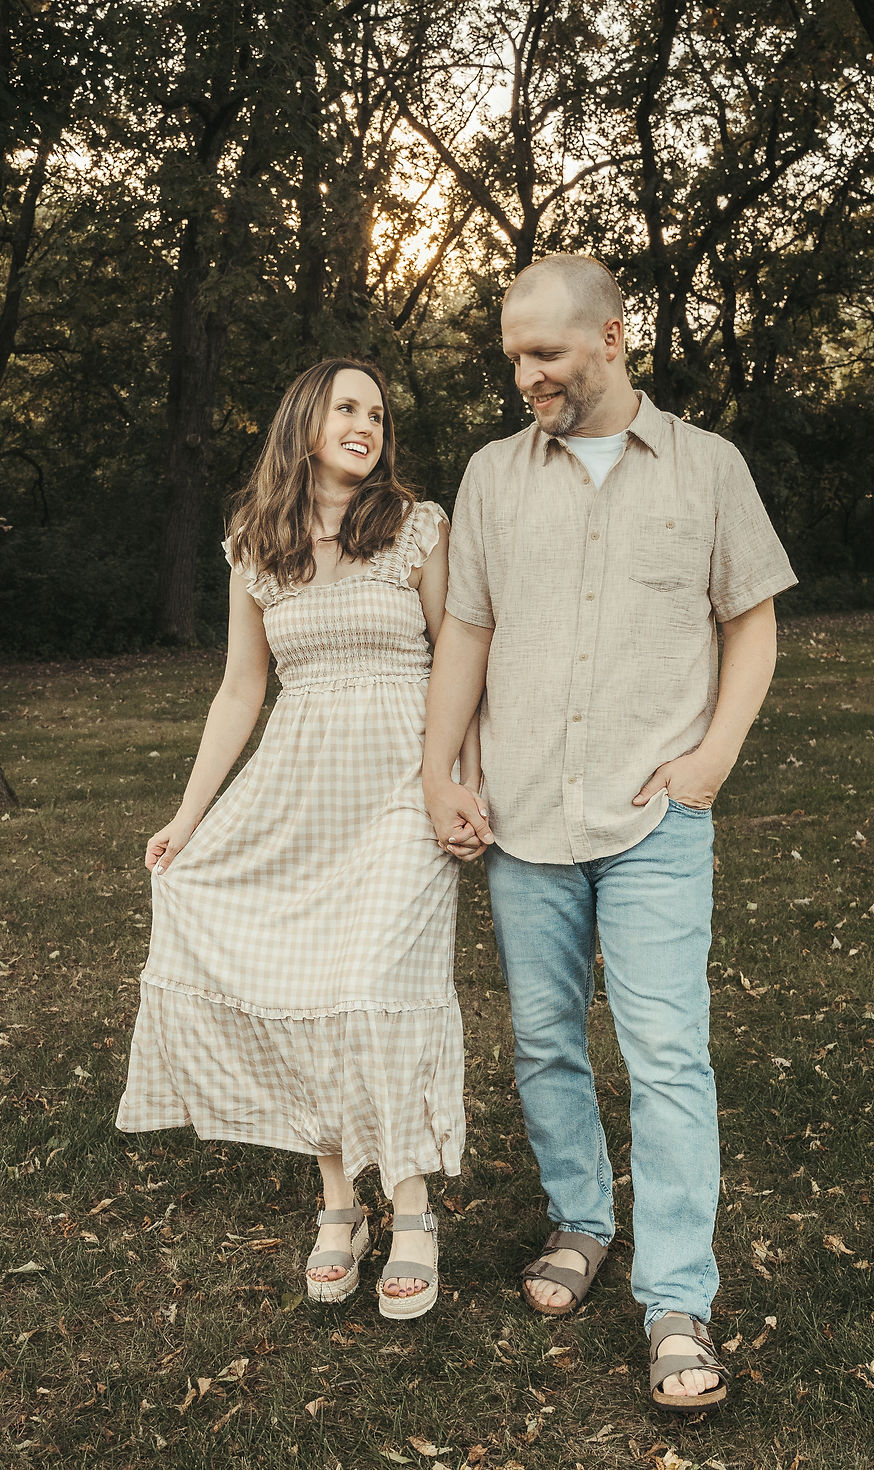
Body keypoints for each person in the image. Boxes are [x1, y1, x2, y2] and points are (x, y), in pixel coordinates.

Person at [422, 255, 797, 1410]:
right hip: (526, 817)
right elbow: (468, 636)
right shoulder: (491, 475)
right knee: (543, 1042)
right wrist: (441, 771)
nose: (525, 375)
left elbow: (751, 626)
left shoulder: (706, 467)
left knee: (666, 1056)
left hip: (652, 822)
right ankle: (580, 1221)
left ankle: (675, 1296)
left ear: (613, 337)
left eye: (544, 353)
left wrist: (710, 761)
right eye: (512, 357)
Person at [117, 358, 480, 1319]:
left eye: (378, 413)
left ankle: (411, 1211)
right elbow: (242, 690)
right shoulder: (253, 543)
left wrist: (458, 781)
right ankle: (338, 1203)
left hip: (403, 781)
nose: (366, 424)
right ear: (304, 424)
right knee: (308, 988)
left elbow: (460, 656)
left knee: (377, 985)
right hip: (299, 788)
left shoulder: (418, 526)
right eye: (346, 408)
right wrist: (188, 816)